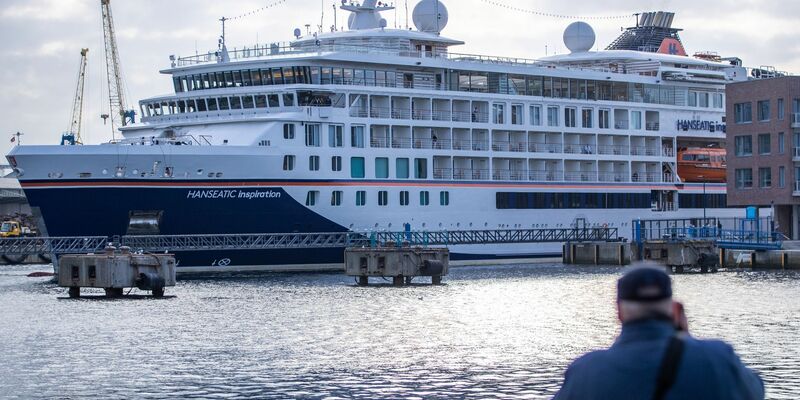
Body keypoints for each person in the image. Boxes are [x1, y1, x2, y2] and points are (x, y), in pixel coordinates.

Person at [554, 266, 764, 400]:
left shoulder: (586, 372)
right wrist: (686, 340)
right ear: (674, 309)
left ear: (619, 311)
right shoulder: (717, 358)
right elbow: (756, 391)